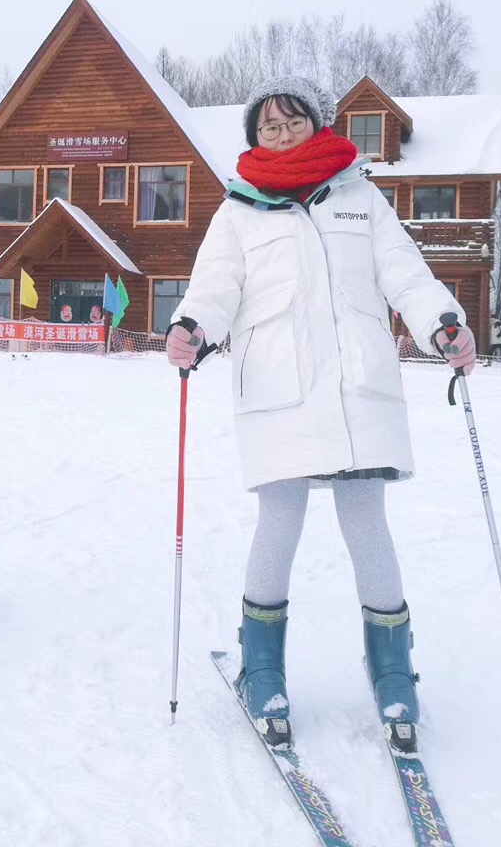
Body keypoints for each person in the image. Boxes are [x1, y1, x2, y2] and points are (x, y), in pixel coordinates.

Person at [165, 76, 476, 753]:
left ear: (317, 123)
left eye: (291, 120)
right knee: (280, 518)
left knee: (366, 521)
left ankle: (394, 673)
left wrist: (442, 322)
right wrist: (191, 325)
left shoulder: (360, 197)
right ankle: (264, 667)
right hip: (277, 384)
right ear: (254, 136)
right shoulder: (238, 210)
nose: (279, 133)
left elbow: (405, 274)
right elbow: (215, 286)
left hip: (357, 382)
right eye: (267, 126)